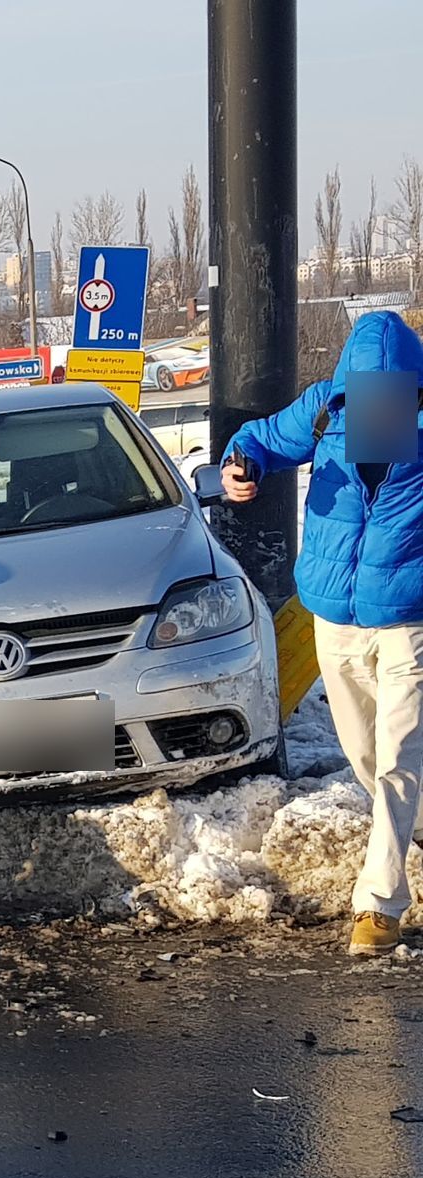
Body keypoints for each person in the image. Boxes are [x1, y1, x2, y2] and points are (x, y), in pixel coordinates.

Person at [221, 310, 423, 955]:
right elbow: (256, 439)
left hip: (409, 622)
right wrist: (239, 466)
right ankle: (408, 839)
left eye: (391, 397)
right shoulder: (323, 410)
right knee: (365, 759)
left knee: (397, 759)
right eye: (368, 397)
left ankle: (380, 906)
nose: (378, 413)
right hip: (332, 617)